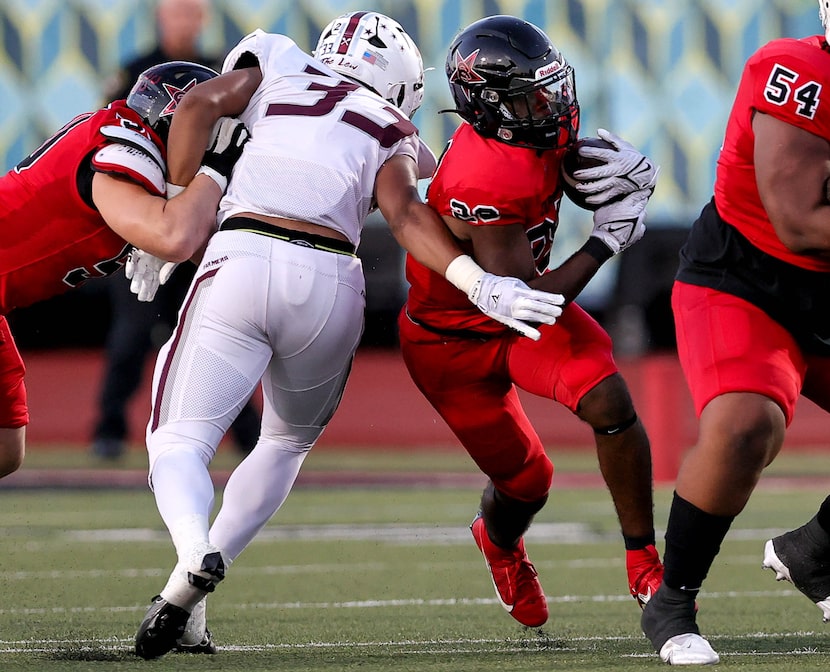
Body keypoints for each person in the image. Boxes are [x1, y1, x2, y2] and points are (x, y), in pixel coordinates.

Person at [131, 11, 567, 660]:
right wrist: (479, 282)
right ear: (394, 82)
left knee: (179, 437)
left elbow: (196, 104)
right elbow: (409, 213)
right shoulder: (393, 126)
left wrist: (169, 204)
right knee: (283, 444)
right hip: (334, 279)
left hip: (246, 250)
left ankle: (194, 553)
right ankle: (188, 599)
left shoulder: (275, 57)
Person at [396, 14, 662, 632]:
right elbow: (529, 302)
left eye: (551, 86)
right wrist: (607, 240)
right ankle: (500, 542)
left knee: (610, 401)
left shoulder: (533, 131)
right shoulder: (483, 176)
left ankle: (647, 563)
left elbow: (569, 170)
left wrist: (621, 176)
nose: (551, 104)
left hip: (516, 308)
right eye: (529, 97)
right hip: (453, 339)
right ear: (490, 109)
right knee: (527, 480)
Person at [641, 1, 830, 665]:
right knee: (747, 424)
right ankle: (673, 601)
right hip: (749, 278)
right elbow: (800, 219)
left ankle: (816, 552)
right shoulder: (796, 70)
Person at [0, 60, 248, 480]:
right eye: (208, 128)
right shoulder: (122, 150)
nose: (208, 142)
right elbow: (176, 238)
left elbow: (202, 249)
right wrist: (216, 167)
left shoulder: (126, 139)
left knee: (6, 447)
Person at [91, 0, 261, 460]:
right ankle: (108, 431)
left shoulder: (221, 70)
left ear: (201, 20)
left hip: (200, 219)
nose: (184, 21)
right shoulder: (135, 71)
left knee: (218, 329)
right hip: (145, 227)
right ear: (161, 19)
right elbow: (112, 139)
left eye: (191, 13)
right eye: (176, 12)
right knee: (132, 330)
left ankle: (249, 437)